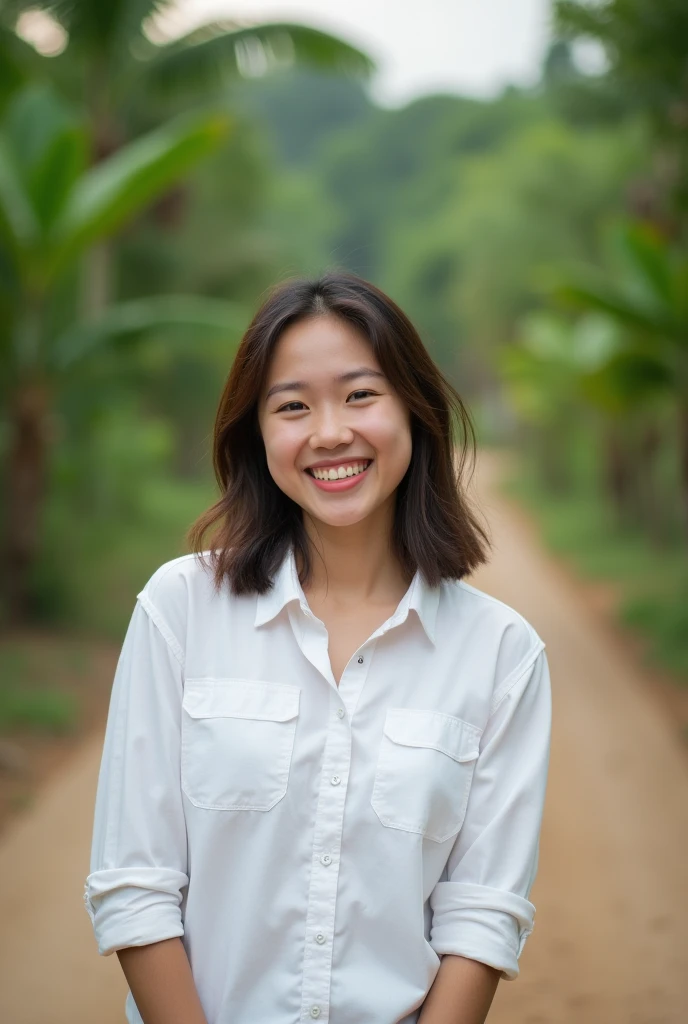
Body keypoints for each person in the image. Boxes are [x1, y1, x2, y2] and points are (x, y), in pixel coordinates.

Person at [83, 270, 552, 1024]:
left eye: (361, 395)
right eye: (293, 406)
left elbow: (482, 916)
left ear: (414, 410)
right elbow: (134, 885)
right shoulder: (180, 610)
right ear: (259, 433)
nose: (330, 432)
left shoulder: (503, 655)